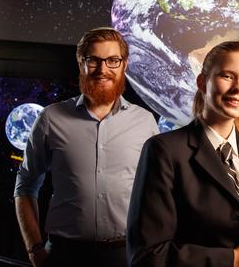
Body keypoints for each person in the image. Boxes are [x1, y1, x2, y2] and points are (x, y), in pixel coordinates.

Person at [127, 41, 239, 267]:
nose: (238, 88)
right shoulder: (164, 151)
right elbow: (148, 256)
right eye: (227, 76)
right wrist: (233, 259)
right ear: (202, 82)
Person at [14, 27, 159, 267]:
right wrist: (34, 249)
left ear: (124, 65)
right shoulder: (51, 118)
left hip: (128, 255)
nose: (103, 70)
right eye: (93, 60)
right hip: (64, 256)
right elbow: (26, 184)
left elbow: (157, 193)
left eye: (113, 60)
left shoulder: (145, 122)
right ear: (81, 63)